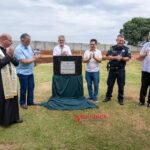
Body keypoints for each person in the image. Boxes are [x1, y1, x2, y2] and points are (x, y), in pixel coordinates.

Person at [0, 33, 22, 126]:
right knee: (4, 99)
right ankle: (5, 120)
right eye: (10, 40)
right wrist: (9, 56)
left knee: (13, 98)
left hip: (12, 78)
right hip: (2, 80)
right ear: (3, 40)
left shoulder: (9, 50)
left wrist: (11, 55)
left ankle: (15, 118)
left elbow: (17, 63)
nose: (12, 42)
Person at [15, 33, 40, 109]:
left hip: (30, 72)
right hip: (22, 73)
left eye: (29, 41)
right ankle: (22, 103)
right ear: (22, 40)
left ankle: (30, 101)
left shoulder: (28, 46)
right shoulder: (18, 49)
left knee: (31, 87)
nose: (29, 42)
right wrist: (35, 59)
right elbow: (23, 61)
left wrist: (34, 57)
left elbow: (32, 56)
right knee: (24, 88)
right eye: (27, 41)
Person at [104, 34, 131, 105]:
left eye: (122, 41)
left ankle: (120, 98)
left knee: (121, 85)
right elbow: (107, 57)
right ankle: (108, 97)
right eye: (119, 40)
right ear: (116, 40)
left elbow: (128, 58)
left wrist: (121, 58)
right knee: (110, 84)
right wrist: (115, 57)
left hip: (121, 70)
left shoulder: (126, 49)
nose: (121, 42)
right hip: (112, 69)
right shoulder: (112, 48)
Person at [138, 34, 150, 107]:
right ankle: (142, 101)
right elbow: (140, 55)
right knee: (144, 86)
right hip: (145, 69)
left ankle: (149, 102)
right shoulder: (146, 45)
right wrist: (145, 54)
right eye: (149, 36)